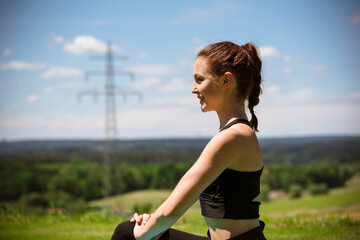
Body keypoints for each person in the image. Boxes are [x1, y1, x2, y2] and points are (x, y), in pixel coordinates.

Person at [111, 41, 266, 240]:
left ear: (226, 81)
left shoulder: (234, 137)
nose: (193, 89)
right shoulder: (232, 133)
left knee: (128, 233)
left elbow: (172, 210)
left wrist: (143, 232)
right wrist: (151, 223)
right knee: (130, 230)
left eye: (199, 80)